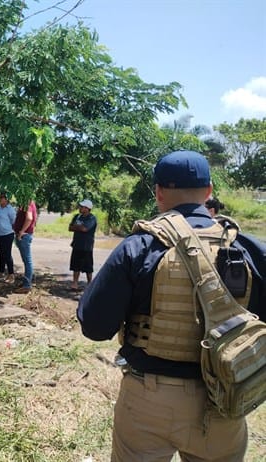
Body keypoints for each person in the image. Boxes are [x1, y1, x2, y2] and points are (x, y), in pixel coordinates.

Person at [77, 150, 266, 462]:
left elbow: (95, 326)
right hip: (225, 400)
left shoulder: (139, 246)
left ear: (159, 193)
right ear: (209, 192)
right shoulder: (248, 250)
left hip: (149, 401)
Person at [68, 199, 97, 291]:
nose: (80, 208)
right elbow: (70, 228)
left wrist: (77, 227)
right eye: (80, 206)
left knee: (88, 266)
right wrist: (78, 227)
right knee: (75, 265)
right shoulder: (77, 216)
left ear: (87, 208)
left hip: (87, 246)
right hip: (77, 244)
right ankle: (75, 283)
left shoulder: (92, 218)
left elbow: (85, 229)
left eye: (82, 207)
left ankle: (89, 284)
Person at [12, 199, 37, 293]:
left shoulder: (28, 203)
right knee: (26, 260)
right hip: (24, 235)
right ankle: (26, 282)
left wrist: (22, 231)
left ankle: (27, 285)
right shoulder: (26, 203)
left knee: (27, 261)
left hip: (24, 236)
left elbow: (29, 218)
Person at [0, 192, 16, 280]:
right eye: (0, 198)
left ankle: (11, 274)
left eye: (2, 198)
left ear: (6, 199)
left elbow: (13, 221)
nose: (0, 200)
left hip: (7, 234)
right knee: (1, 253)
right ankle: (1, 272)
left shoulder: (10, 209)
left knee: (7, 254)